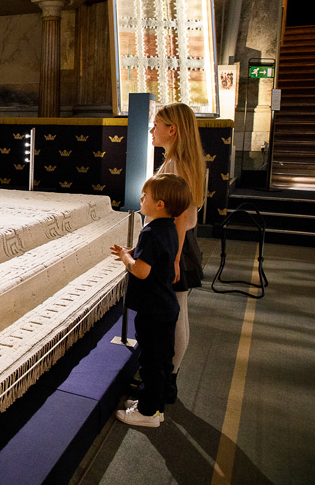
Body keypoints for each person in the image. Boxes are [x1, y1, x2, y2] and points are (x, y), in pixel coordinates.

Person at [111, 173, 192, 427]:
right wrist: (131, 252)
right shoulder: (168, 228)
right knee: (160, 360)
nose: (141, 198)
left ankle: (147, 413)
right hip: (165, 307)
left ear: (160, 204)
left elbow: (142, 271)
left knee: (150, 362)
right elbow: (156, 256)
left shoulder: (150, 232)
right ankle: (154, 404)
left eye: (145, 196)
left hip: (153, 309)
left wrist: (127, 259)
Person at [150, 102, 206, 403]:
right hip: (179, 243)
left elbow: (182, 217)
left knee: (174, 315)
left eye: (156, 125)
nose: (152, 130)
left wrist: (172, 257)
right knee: (178, 313)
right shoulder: (185, 160)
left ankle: (167, 380)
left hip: (175, 244)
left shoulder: (175, 165)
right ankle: (169, 377)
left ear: (172, 129)